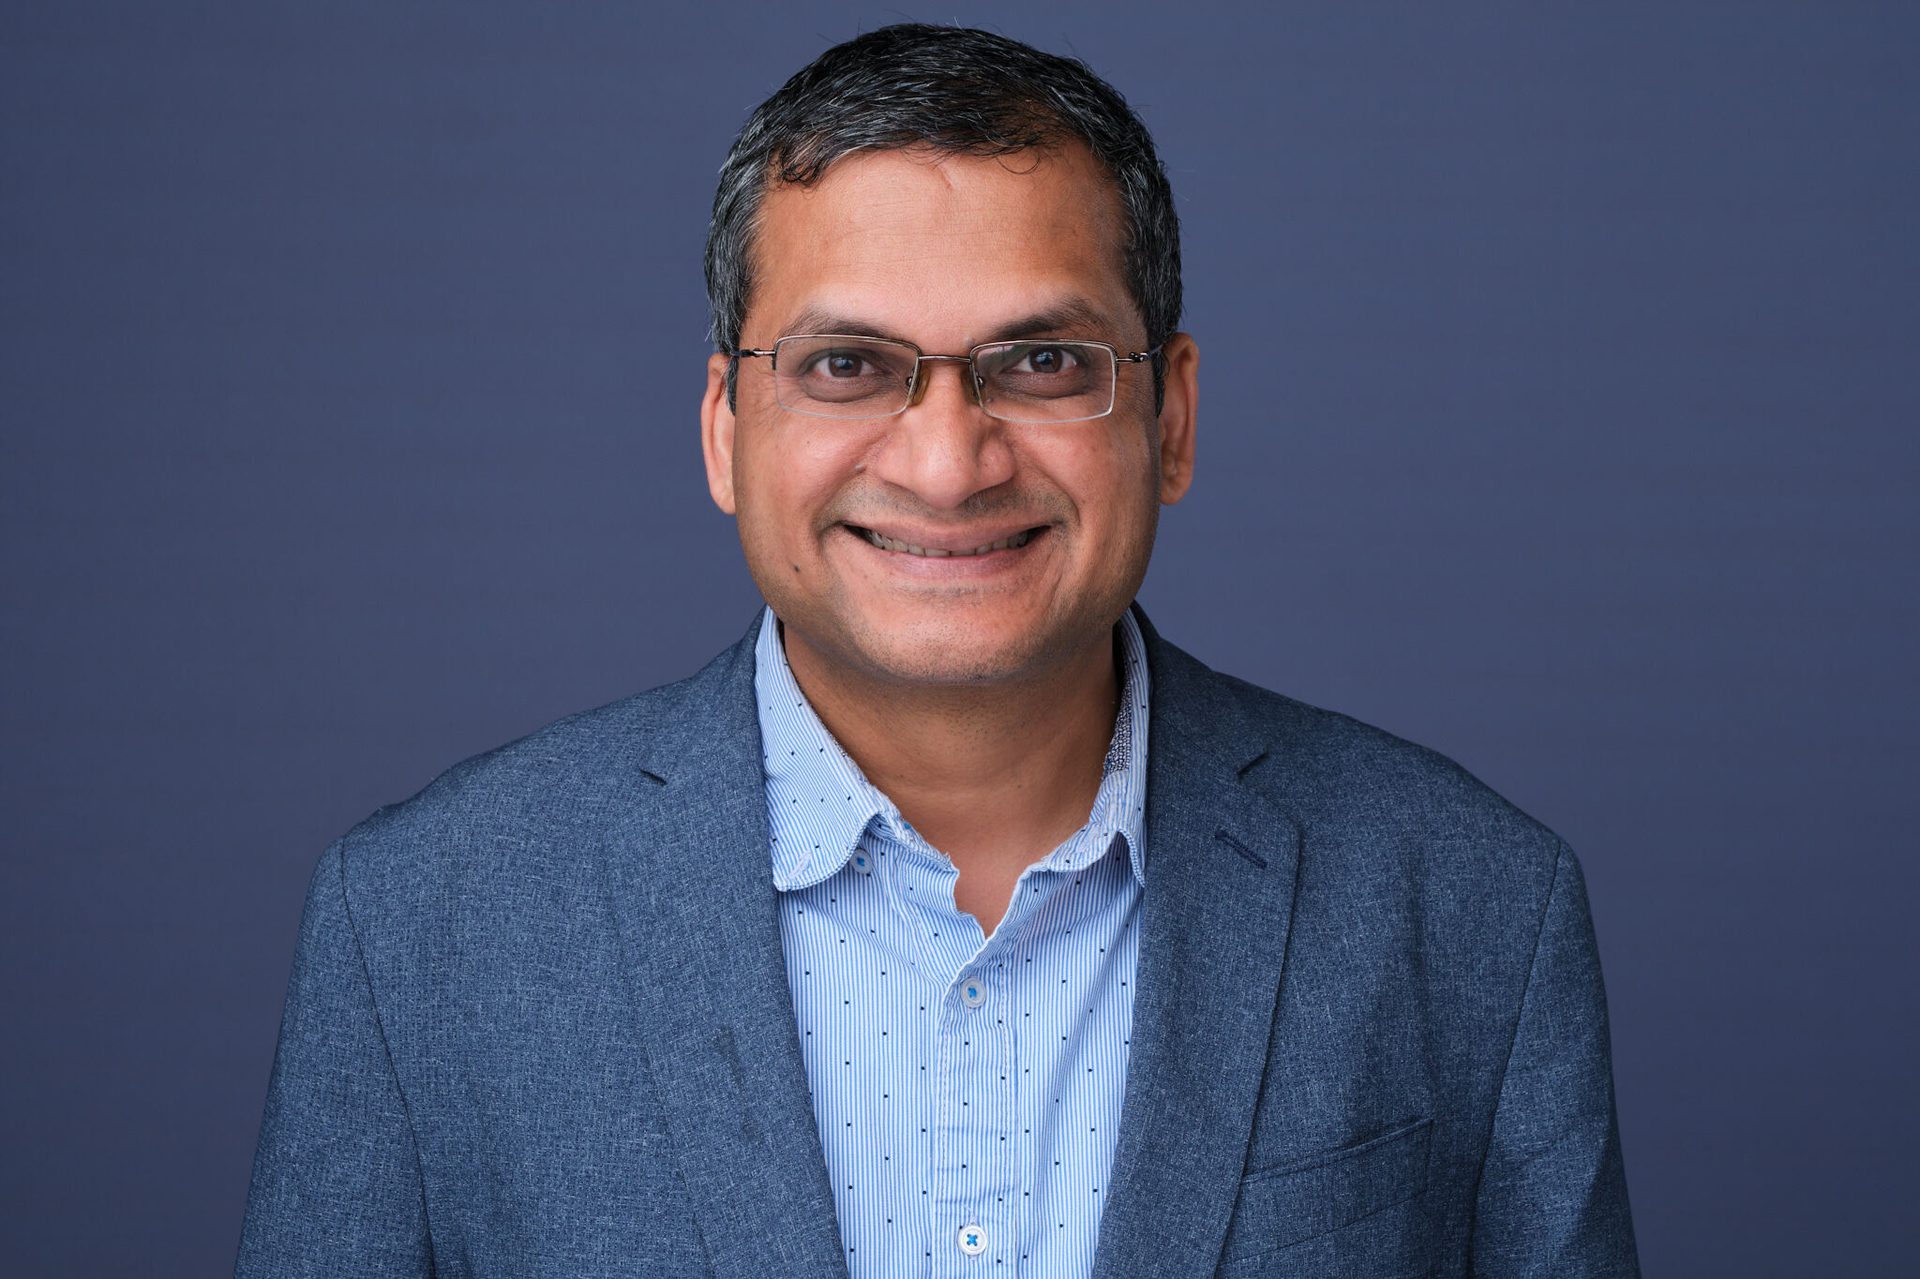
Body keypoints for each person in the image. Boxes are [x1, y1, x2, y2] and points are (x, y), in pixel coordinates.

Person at [236, 23, 1638, 1279]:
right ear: (727, 427)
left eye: (1043, 364)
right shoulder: (424, 928)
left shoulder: (1470, 909)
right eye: (848, 366)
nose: (950, 461)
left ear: (1174, 419)